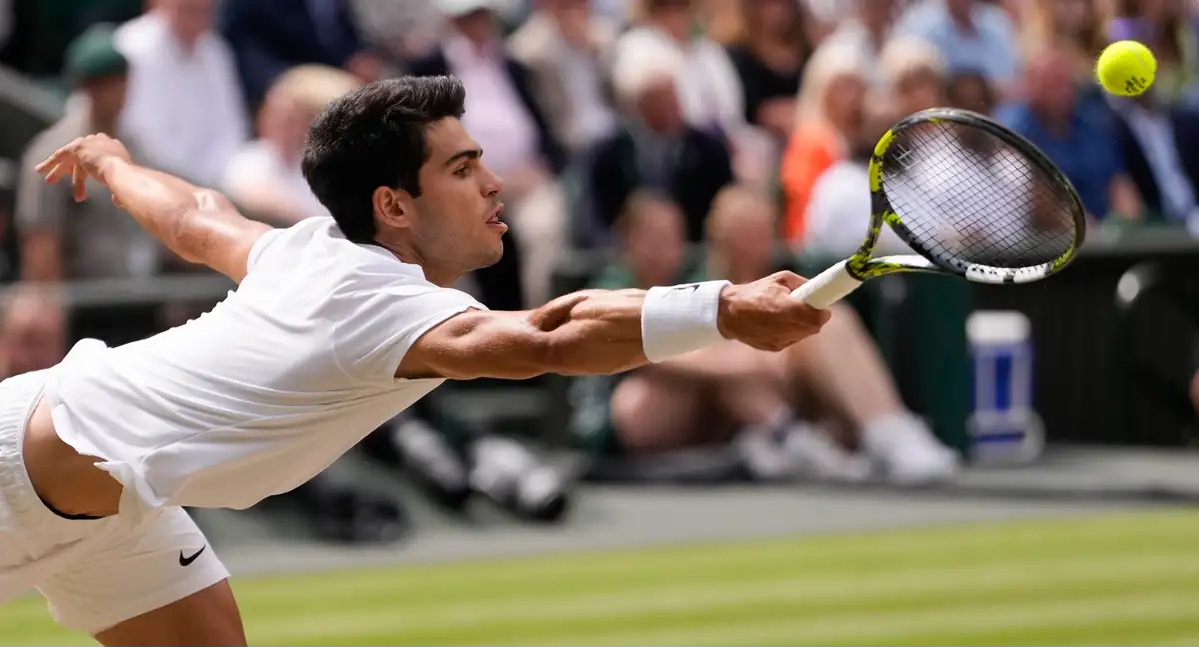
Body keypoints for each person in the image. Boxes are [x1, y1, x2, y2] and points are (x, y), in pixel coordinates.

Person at [11, 75, 829, 645]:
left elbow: (196, 215)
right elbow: (549, 333)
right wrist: (719, 306)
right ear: (393, 205)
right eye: (464, 169)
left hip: (120, 513)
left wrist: (112, 162)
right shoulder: (375, 299)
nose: (495, 184)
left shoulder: (314, 252)